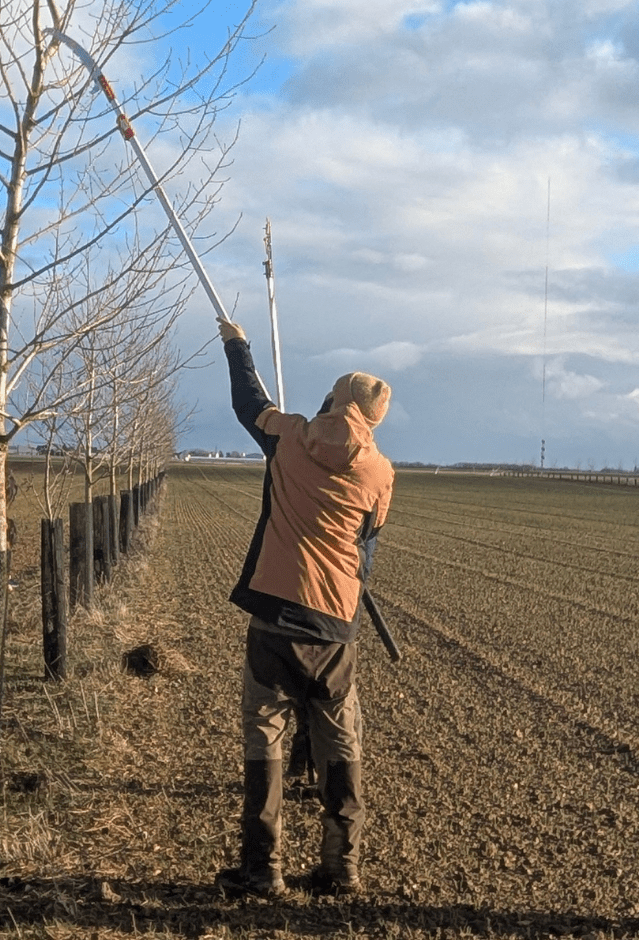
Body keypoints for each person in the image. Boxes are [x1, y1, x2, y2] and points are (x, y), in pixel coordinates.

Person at [213, 318, 395, 899]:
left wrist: (237, 345)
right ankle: (342, 867)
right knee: (342, 743)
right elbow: (369, 545)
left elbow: (250, 405)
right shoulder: (380, 472)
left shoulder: (290, 436)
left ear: (332, 400)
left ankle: (261, 868)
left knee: (263, 737)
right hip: (336, 626)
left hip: (274, 617)